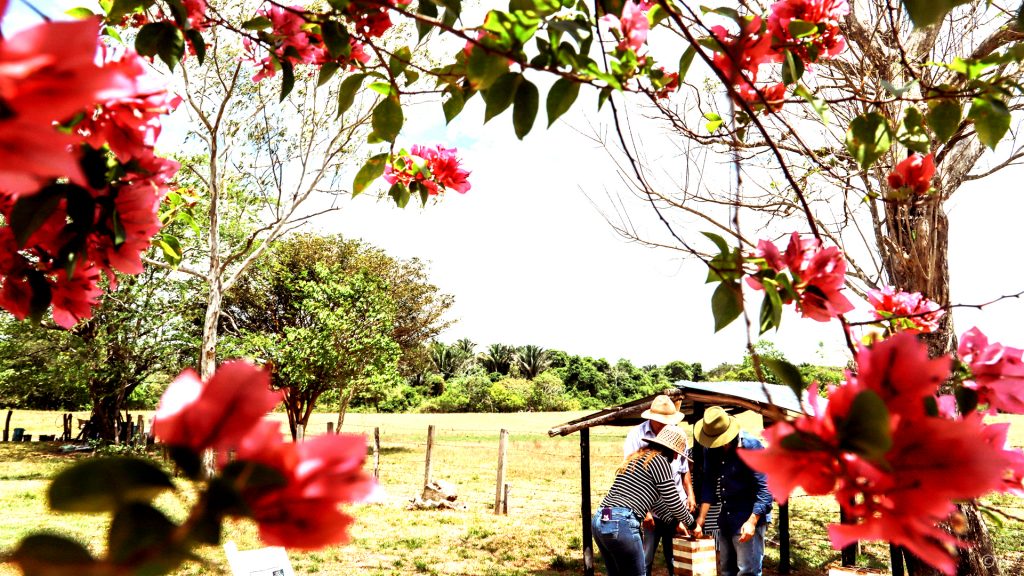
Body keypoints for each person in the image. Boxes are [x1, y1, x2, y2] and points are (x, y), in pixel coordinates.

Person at [593, 425, 699, 576]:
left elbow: (656, 502)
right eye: (678, 453)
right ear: (674, 451)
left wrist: (675, 524)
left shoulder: (638, 458)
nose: (677, 457)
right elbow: (673, 501)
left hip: (602, 516)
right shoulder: (660, 461)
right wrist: (693, 525)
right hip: (621, 520)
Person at [693, 406, 772, 576]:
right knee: (726, 569)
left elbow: (766, 489)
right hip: (726, 516)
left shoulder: (752, 446)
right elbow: (709, 482)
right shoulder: (711, 449)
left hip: (748, 516)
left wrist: (752, 521)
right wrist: (701, 519)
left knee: (747, 571)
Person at [622, 395, 696, 576]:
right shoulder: (636, 435)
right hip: (650, 509)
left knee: (676, 556)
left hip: (675, 506)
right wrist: (645, 511)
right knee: (645, 557)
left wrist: (690, 494)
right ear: (652, 419)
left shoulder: (678, 435)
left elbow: (683, 468)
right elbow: (631, 475)